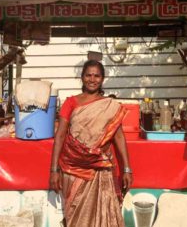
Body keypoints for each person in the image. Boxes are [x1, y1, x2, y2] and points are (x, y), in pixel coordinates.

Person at [49, 60, 133, 227]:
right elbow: (59, 136)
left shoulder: (110, 106)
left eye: (97, 75)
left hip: (99, 168)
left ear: (102, 79)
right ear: (82, 77)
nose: (92, 79)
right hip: (73, 169)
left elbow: (119, 138)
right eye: (88, 75)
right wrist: (53, 170)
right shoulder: (71, 102)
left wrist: (127, 169)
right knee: (75, 215)